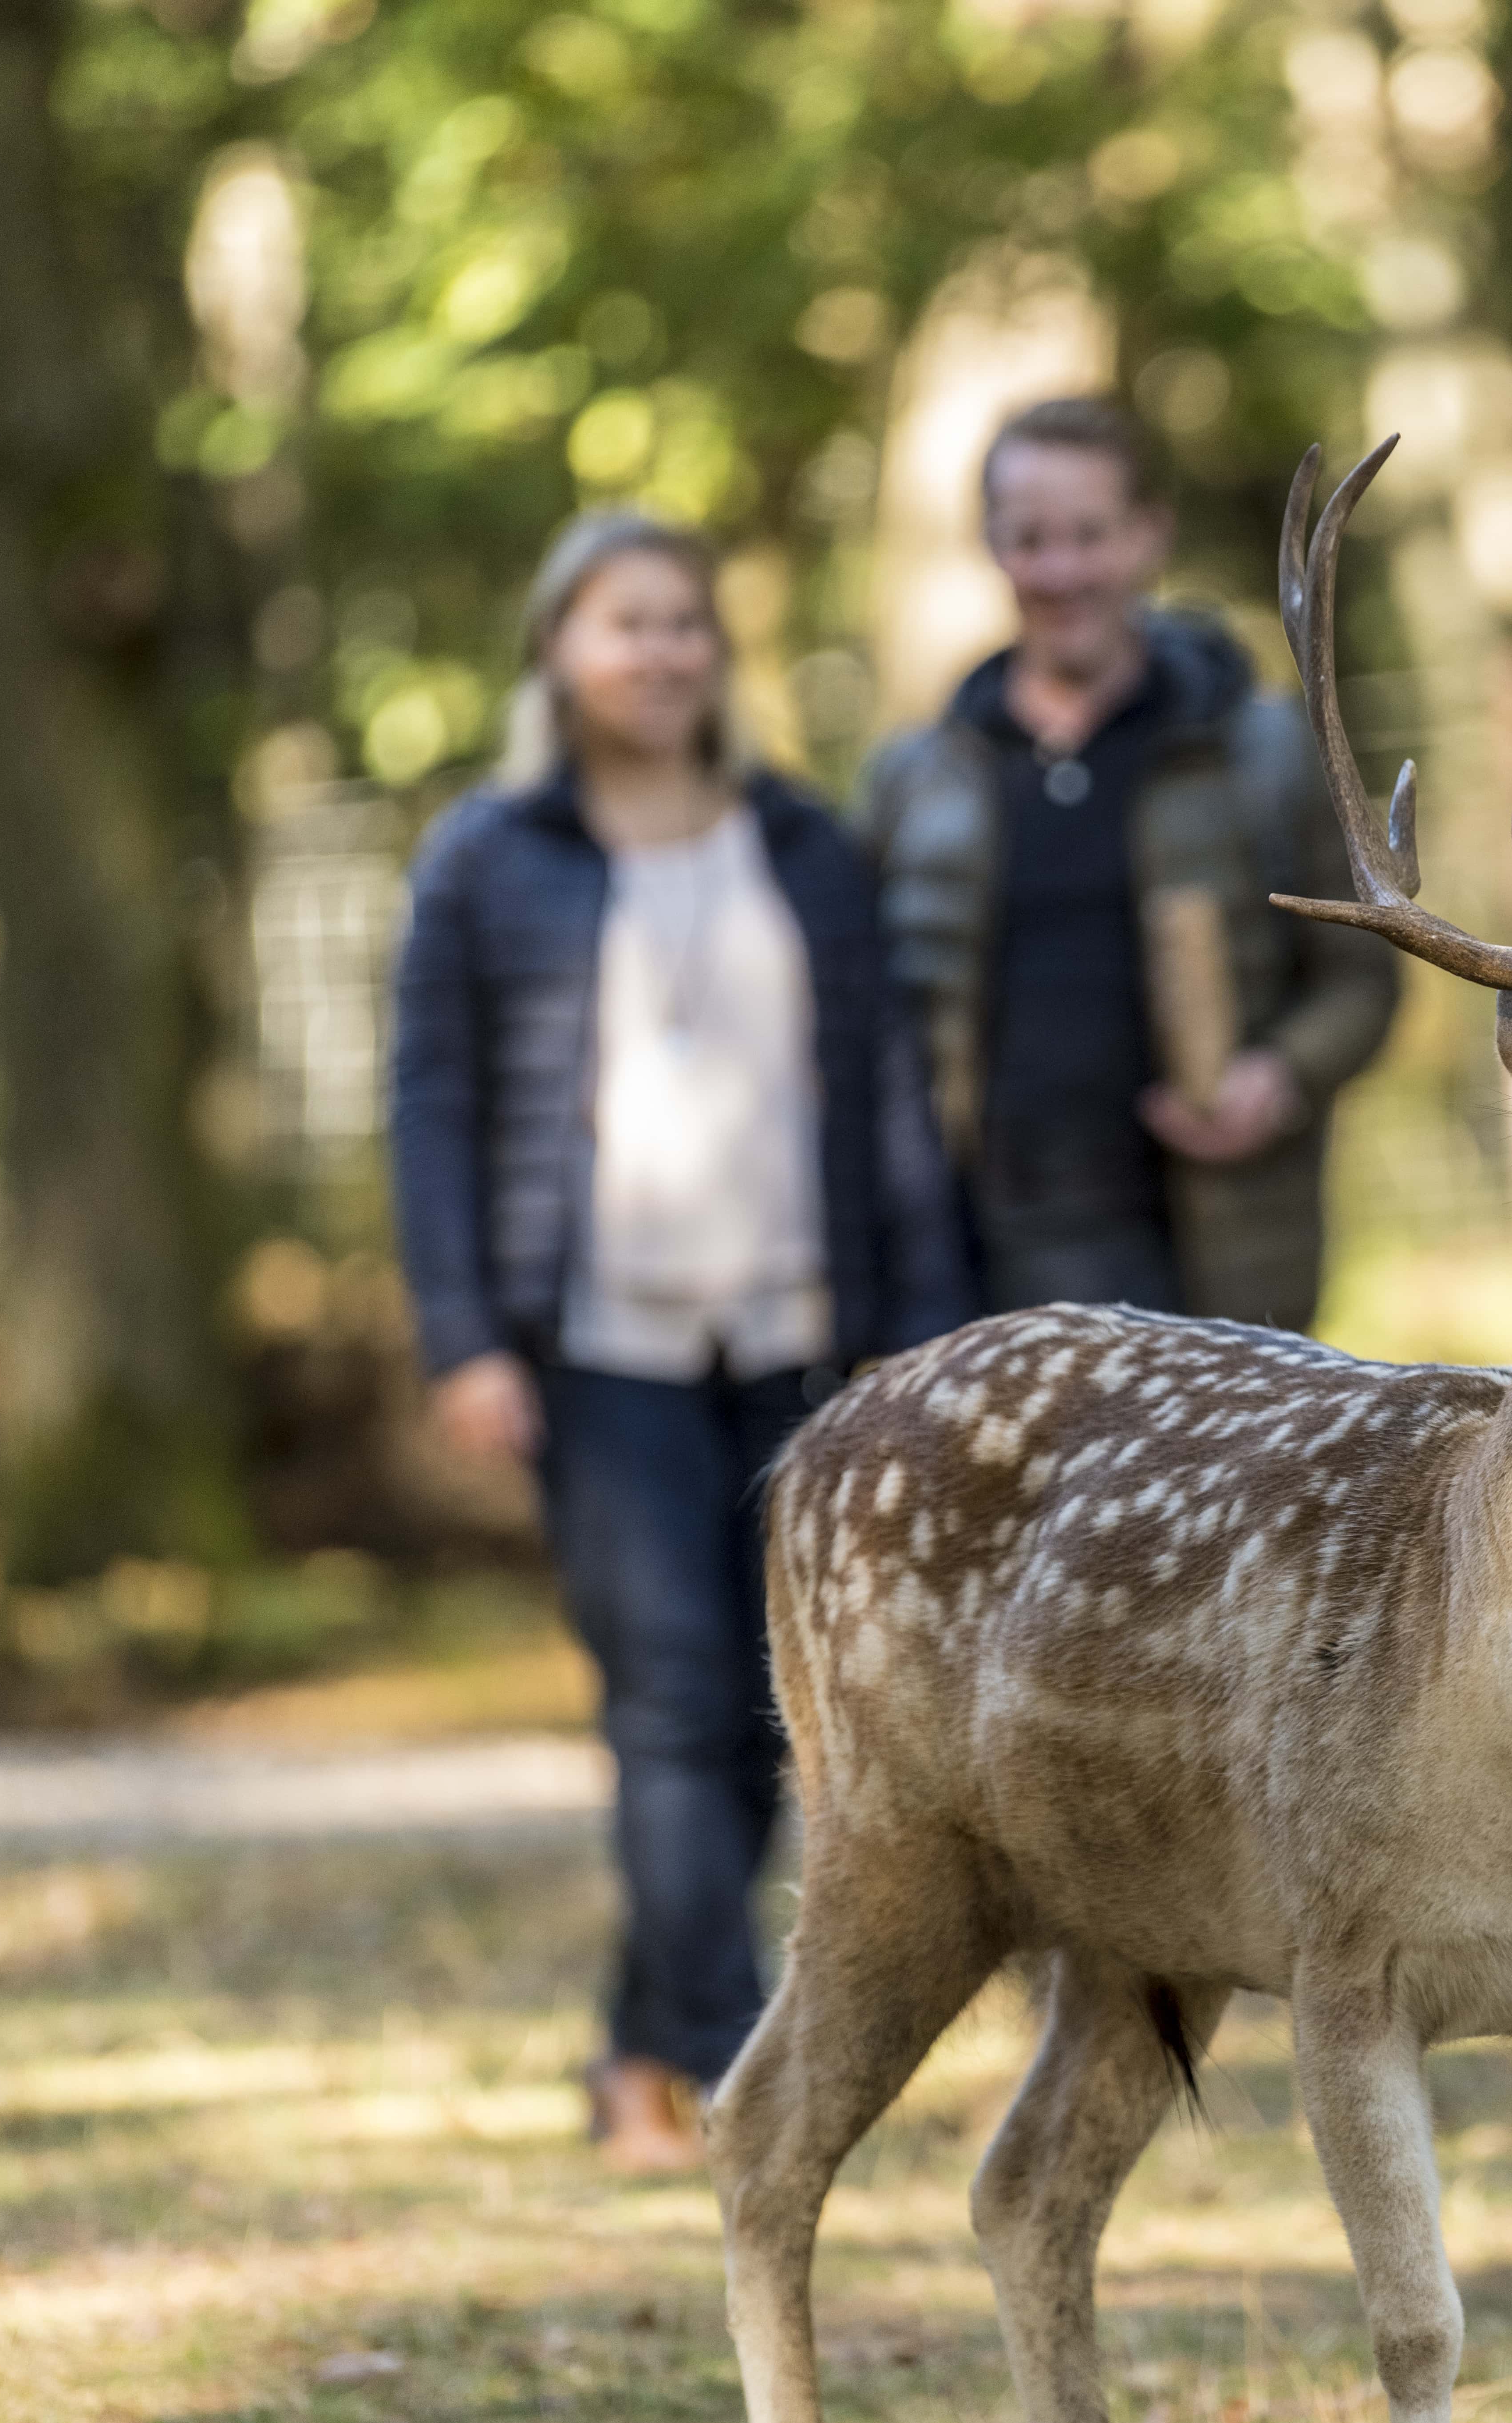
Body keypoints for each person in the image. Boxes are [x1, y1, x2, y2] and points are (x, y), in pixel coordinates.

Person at [388, 510, 970, 2172]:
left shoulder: (799, 841)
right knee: (672, 1698)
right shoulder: (491, 857)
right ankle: (725, 2071)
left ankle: (637, 2053)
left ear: (718, 651)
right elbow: (431, 1109)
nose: (658, 653)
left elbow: (881, 1095)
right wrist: (461, 1338)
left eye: (683, 625)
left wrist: (917, 1340)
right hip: (593, 1341)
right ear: (558, 653)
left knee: (772, 1716)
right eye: (622, 625)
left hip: (799, 1336)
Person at [853, 397, 1399, 1331]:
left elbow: (1362, 980)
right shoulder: (917, 776)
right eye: (1030, 538)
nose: (1060, 569)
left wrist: (1280, 1077)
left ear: (1150, 537)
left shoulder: (1262, 750)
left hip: (1208, 1261)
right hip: (980, 1271)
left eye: (1089, 535)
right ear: (992, 544)